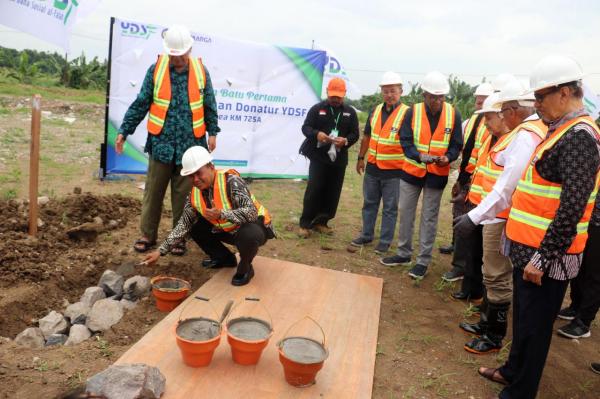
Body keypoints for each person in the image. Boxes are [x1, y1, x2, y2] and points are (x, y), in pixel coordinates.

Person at [477, 55, 600, 399]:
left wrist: (542, 259)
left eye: (541, 98)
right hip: (528, 249)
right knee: (525, 321)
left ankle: (520, 391)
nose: (537, 106)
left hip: (546, 257)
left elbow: (572, 207)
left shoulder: (579, 137)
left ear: (564, 93)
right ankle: (512, 371)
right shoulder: (557, 130)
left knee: (535, 327)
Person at [455, 85, 546, 355]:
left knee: (497, 275)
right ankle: (486, 323)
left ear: (513, 110)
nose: (499, 119)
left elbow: (506, 187)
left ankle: (494, 334)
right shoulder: (522, 133)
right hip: (497, 214)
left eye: (501, 113)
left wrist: (472, 217)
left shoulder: (526, 135)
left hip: (502, 216)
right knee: (491, 272)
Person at [115, 25, 220, 255]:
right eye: (174, 55)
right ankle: (147, 234)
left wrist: (212, 132)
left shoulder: (201, 72)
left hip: (190, 146)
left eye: (182, 54)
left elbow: (209, 104)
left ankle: (178, 237)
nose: (178, 59)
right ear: (168, 52)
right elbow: (141, 102)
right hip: (161, 144)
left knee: (183, 197)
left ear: (190, 49)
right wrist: (125, 130)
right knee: (153, 191)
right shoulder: (156, 70)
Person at [144, 146, 275, 286]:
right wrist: (160, 251)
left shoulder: (232, 182)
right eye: (191, 175)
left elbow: (251, 213)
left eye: (199, 173)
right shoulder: (193, 194)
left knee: (249, 234)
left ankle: (245, 268)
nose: (195, 179)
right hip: (229, 229)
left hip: (257, 226)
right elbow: (183, 224)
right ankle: (224, 258)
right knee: (193, 226)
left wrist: (222, 213)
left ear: (211, 167)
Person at [380, 71, 463, 279]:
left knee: (429, 217)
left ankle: (423, 261)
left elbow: (457, 144)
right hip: (412, 171)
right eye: (433, 97)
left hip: (437, 174)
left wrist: (449, 157)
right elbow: (405, 140)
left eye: (441, 97)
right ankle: (403, 253)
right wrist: (418, 156)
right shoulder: (413, 112)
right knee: (406, 212)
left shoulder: (453, 114)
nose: (437, 101)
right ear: (424, 95)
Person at [350, 72, 408, 254]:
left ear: (401, 91)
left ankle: (384, 241)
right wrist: (361, 158)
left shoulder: (408, 113)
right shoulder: (375, 111)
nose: (389, 95)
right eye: (385, 91)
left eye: (393, 91)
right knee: (369, 203)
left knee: (390, 208)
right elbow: (367, 135)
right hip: (373, 168)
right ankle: (366, 235)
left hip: (394, 171)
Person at [440, 82, 493, 280]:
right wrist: (460, 179)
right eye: (478, 102)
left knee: (470, 224)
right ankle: (456, 249)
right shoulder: (470, 122)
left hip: (479, 181)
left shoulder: (493, 123)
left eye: (483, 103)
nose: (479, 106)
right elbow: (466, 150)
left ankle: (461, 266)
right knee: (458, 214)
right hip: (467, 177)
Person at [298, 78, 359, 237]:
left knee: (333, 192)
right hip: (319, 157)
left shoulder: (350, 112)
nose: (335, 99)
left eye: (338, 96)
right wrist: (317, 134)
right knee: (314, 189)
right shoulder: (317, 109)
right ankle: (305, 224)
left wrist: (345, 141)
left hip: (338, 159)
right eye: (333, 95)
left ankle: (321, 222)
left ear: (344, 94)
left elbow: (355, 134)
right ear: (327, 92)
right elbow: (306, 127)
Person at [555, 195, 600, 339]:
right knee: (580, 265)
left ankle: (583, 322)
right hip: (588, 219)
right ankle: (575, 306)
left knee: (595, 273)